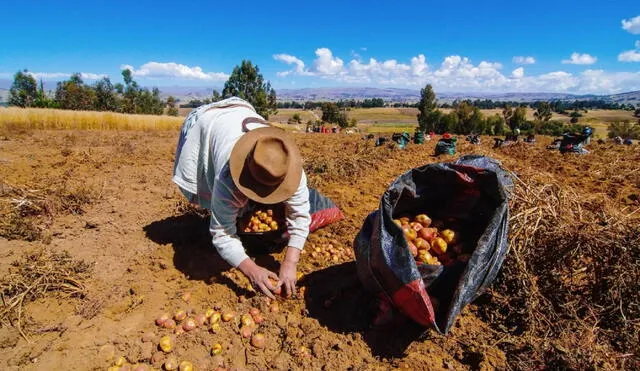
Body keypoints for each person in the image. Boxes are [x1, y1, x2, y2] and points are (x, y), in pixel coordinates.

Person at [172, 97, 311, 299]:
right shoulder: (227, 177)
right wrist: (251, 270)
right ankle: (230, 212)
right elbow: (222, 233)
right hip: (210, 122)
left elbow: (300, 215)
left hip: (240, 111)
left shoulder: (289, 169)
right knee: (223, 211)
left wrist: (290, 262)